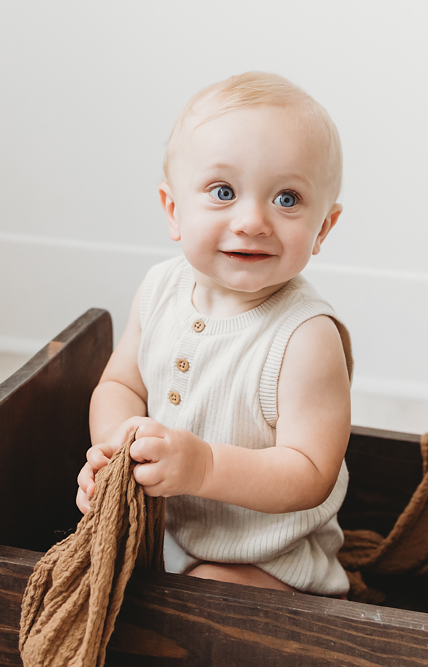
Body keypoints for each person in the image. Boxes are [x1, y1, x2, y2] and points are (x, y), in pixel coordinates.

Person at [75, 71, 353, 597]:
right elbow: (121, 387)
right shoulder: (160, 289)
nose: (252, 221)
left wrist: (204, 467)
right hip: (167, 533)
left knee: (206, 599)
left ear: (323, 228)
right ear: (174, 210)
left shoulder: (306, 335)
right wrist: (117, 449)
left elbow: (310, 472)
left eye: (288, 199)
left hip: (269, 559)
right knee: (105, 569)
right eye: (223, 191)